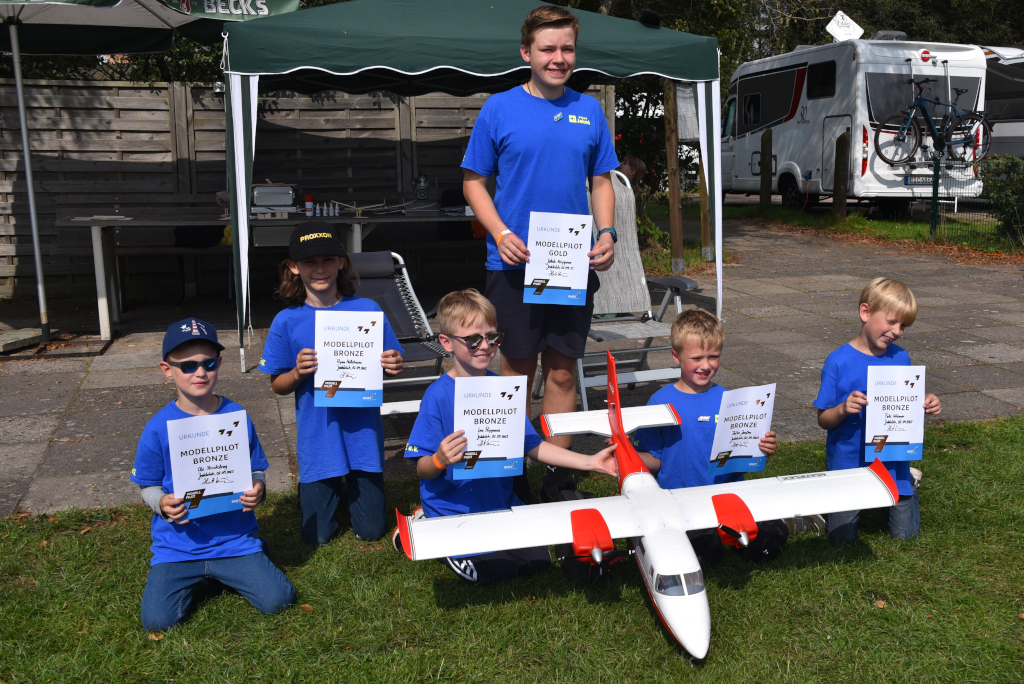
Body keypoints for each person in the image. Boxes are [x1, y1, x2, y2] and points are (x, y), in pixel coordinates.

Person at [461, 5, 620, 504]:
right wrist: (500, 231)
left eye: (566, 48)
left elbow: (600, 180)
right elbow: (473, 182)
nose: (558, 58)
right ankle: (510, 467)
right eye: (548, 49)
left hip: (571, 264)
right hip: (512, 265)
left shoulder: (589, 109)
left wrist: (609, 232)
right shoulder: (499, 108)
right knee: (515, 372)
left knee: (561, 370)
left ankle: (559, 472)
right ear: (526, 53)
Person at [396, 289, 618, 584]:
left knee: (538, 562)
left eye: (493, 337)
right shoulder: (437, 396)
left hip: (499, 504)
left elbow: (533, 447)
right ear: (447, 343)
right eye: (473, 340)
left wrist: (591, 462)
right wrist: (438, 459)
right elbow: (422, 468)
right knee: (493, 571)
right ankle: (426, 524)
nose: (485, 347)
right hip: (454, 509)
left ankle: (467, 533)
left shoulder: (503, 388)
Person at [132, 318, 295, 632]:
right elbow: (146, 485)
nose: (200, 372)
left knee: (278, 600)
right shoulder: (157, 426)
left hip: (233, 541)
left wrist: (258, 487)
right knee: (156, 621)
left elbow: (256, 468)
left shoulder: (236, 415)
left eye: (208, 363)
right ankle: (205, 576)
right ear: (167, 369)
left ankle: (245, 560)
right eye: (188, 366)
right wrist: (161, 503)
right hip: (178, 547)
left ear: (219, 363)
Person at [258, 222, 404, 546]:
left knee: (370, 531)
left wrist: (393, 363)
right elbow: (277, 386)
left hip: (362, 434)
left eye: (328, 260)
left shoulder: (367, 310)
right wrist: (297, 373)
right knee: (318, 537)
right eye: (310, 262)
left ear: (341, 263)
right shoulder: (286, 320)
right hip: (318, 436)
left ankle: (352, 486)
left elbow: (391, 359)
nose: (320, 269)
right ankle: (330, 489)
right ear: (294, 268)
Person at [632, 309, 797, 564]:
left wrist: (763, 446)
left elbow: (744, 456)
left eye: (714, 356)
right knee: (705, 554)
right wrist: (627, 455)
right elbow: (656, 459)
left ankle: (746, 530)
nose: (706, 365)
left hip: (728, 497)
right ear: (676, 356)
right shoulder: (659, 402)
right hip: (680, 501)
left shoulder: (732, 401)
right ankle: (712, 537)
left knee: (769, 541)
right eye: (696, 357)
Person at [814, 278, 941, 543]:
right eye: (892, 321)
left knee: (905, 537)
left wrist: (926, 402)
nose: (897, 331)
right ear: (865, 312)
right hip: (849, 460)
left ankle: (907, 484)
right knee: (842, 542)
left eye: (903, 326)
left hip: (892, 458)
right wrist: (843, 409)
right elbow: (823, 420)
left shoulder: (901, 357)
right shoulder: (838, 361)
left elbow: (906, 402)